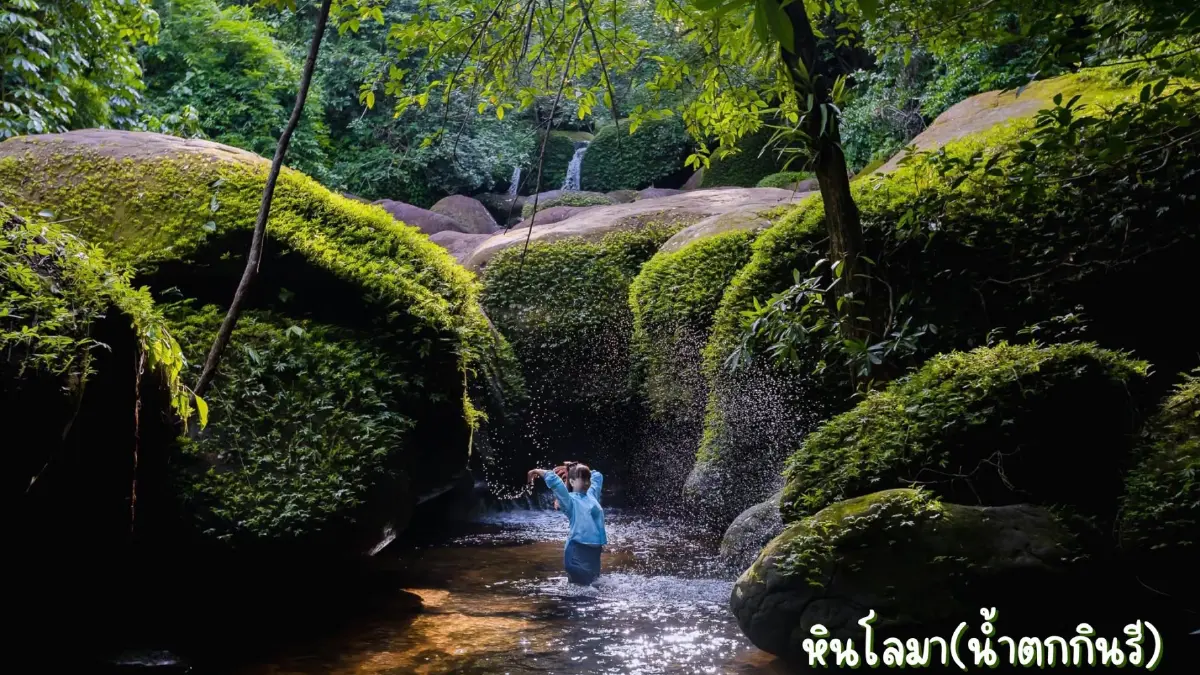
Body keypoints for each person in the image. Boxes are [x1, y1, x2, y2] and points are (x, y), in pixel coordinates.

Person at [527, 462, 606, 585]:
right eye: (583, 479)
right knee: (580, 591)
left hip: (594, 550)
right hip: (576, 550)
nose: (587, 483)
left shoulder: (592, 494)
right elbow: (557, 484)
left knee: (593, 587)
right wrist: (538, 471)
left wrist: (574, 467)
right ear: (573, 482)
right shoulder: (570, 501)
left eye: (587, 479)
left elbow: (598, 476)